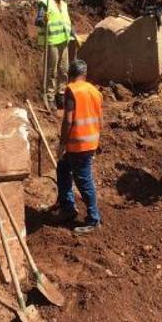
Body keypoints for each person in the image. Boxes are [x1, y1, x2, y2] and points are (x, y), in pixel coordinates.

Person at [56, 59, 103, 234]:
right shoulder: (95, 92)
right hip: (90, 141)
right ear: (85, 74)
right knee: (63, 168)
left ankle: (93, 219)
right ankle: (67, 207)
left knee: (84, 180)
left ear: (70, 74)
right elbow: (100, 120)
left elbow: (68, 120)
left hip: (78, 144)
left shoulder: (72, 90)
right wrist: (97, 142)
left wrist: (62, 143)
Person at [35, 0, 75, 109]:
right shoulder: (44, 2)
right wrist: (42, 19)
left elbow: (66, 20)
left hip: (64, 39)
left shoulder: (64, 4)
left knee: (64, 69)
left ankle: (61, 94)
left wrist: (72, 33)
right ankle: (50, 96)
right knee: (52, 70)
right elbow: (38, 20)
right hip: (52, 40)